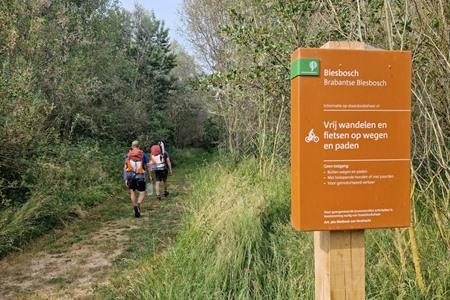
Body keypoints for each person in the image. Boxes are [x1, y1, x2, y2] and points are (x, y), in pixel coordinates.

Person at [124, 140, 148, 217]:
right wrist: (149, 176)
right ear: (139, 146)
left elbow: (125, 167)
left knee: (132, 192)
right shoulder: (142, 154)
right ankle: (138, 204)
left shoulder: (128, 155)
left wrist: (125, 179)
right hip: (140, 176)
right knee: (142, 192)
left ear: (132, 146)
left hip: (130, 176)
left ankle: (135, 206)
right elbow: (147, 166)